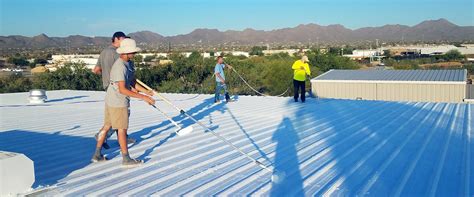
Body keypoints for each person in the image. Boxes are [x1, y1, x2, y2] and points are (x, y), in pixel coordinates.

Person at [92, 38, 155, 167]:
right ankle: (126, 159)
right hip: (117, 101)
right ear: (125, 53)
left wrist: (146, 91)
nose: (134, 55)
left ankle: (97, 155)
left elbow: (132, 82)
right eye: (132, 52)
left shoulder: (128, 64)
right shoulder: (120, 66)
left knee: (107, 126)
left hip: (112, 99)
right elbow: (123, 89)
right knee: (121, 129)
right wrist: (143, 97)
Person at [93, 32, 136, 149]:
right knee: (121, 118)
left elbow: (96, 70)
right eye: (122, 39)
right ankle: (120, 140)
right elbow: (124, 73)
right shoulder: (119, 55)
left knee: (113, 118)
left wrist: (107, 75)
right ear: (115, 39)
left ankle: (101, 148)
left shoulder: (103, 52)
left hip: (108, 87)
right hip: (118, 88)